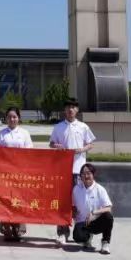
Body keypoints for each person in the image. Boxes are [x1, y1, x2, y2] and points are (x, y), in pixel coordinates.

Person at [49, 97, 96, 246]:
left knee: (81, 202)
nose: (70, 110)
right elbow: (51, 143)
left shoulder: (83, 126)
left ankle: (84, 233)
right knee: (63, 202)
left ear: (77, 110)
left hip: (79, 170)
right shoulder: (58, 127)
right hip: (63, 170)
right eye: (68, 107)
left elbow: (90, 144)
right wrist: (56, 146)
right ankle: (62, 233)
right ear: (64, 110)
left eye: (73, 107)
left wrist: (82, 149)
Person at [0, 106, 33, 242]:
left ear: (19, 118)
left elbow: (30, 153)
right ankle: (6, 230)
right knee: (5, 200)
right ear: (6, 119)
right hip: (5, 174)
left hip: (20, 173)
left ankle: (18, 231)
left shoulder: (24, 133)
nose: (12, 119)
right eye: (9, 117)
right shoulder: (1, 134)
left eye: (14, 117)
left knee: (19, 201)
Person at [70, 163, 113, 254]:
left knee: (108, 217)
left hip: (95, 221)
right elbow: (73, 206)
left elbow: (109, 208)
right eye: (83, 174)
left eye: (88, 173)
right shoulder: (76, 189)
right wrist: (73, 213)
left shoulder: (100, 189)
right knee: (78, 237)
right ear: (80, 176)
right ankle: (87, 238)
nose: (86, 176)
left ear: (93, 174)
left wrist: (94, 213)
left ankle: (105, 243)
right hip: (82, 222)